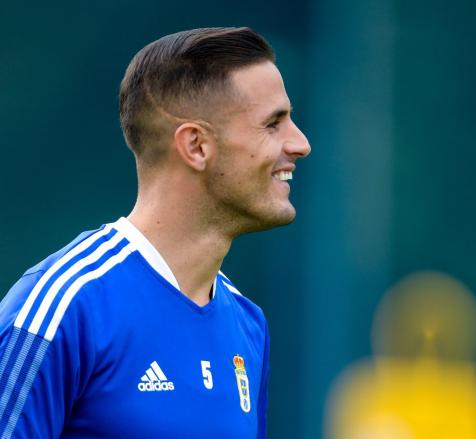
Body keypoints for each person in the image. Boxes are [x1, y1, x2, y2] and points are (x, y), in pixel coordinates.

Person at [0, 27, 310, 438]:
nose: (300, 143)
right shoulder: (64, 309)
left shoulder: (248, 324)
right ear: (196, 146)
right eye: (273, 124)